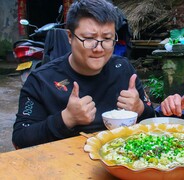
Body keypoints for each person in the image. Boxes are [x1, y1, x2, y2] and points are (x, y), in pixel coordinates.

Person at [12, 0, 154, 149]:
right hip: (66, 164)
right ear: (69, 37)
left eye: (107, 39)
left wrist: (140, 109)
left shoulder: (123, 69)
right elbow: (20, 139)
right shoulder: (41, 80)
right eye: (89, 38)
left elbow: (151, 119)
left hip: (119, 160)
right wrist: (66, 119)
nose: (99, 48)